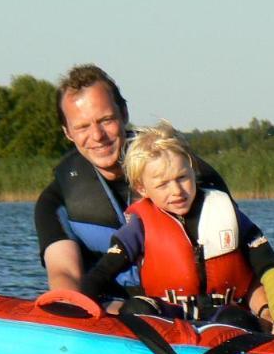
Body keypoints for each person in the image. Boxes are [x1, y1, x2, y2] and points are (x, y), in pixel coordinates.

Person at [79, 122, 274, 334]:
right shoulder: (139, 227)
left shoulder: (228, 214)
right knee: (135, 308)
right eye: (163, 185)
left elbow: (270, 266)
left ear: (193, 170)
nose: (177, 191)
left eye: (182, 178)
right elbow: (103, 271)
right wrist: (79, 306)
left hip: (220, 319)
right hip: (167, 319)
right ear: (142, 188)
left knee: (237, 319)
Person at [33, 64, 228, 293]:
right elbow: (63, 273)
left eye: (105, 120)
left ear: (124, 113)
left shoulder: (191, 177)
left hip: (196, 310)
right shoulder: (54, 202)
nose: (97, 136)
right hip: (113, 314)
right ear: (67, 132)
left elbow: (243, 250)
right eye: (83, 126)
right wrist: (70, 306)